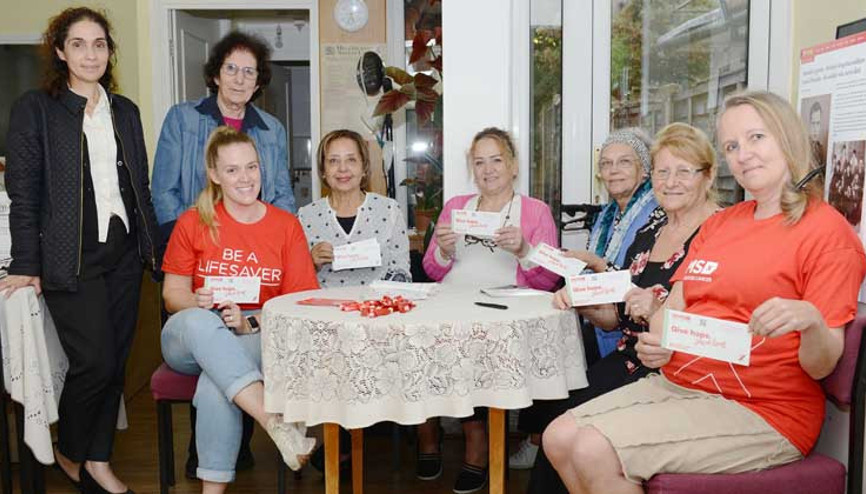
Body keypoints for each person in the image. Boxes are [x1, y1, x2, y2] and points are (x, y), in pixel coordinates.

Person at [543, 91, 866, 494]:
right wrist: (658, 336)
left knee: (593, 449)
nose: (743, 154)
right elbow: (672, 311)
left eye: (756, 138)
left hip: (763, 409)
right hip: (681, 383)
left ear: (788, 137)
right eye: (732, 145)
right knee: (557, 437)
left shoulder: (827, 232)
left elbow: (821, 365)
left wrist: (812, 320)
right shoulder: (722, 223)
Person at [1, 7, 158, 494]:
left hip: (125, 253)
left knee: (116, 364)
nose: (90, 54)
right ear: (60, 50)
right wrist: (27, 263)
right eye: (79, 44)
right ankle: (71, 450)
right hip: (70, 257)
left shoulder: (125, 111)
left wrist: (155, 250)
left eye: (99, 44)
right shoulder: (38, 108)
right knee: (96, 361)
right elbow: (23, 192)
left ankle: (99, 460)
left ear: (110, 52)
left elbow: (141, 189)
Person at [522, 122, 720, 492]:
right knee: (556, 427)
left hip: (672, 368)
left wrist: (660, 314)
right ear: (652, 176)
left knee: (569, 428)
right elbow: (615, 317)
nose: (671, 181)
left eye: (683, 171)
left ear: (708, 177)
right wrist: (579, 301)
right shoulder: (652, 230)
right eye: (663, 171)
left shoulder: (720, 232)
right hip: (629, 356)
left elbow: (720, 318)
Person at [151, 30, 295, 475]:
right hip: (196, 261)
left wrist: (274, 241)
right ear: (215, 75)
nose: (238, 78)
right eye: (230, 68)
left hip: (252, 265)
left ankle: (236, 443)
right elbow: (164, 191)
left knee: (240, 338)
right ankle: (211, 444)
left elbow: (282, 195)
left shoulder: (271, 130)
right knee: (203, 333)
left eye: (248, 71)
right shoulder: (182, 117)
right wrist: (202, 242)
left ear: (258, 82)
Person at [160, 127, 318, 493]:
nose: (245, 178)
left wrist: (251, 320)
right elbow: (172, 294)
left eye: (252, 167)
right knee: (202, 324)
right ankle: (272, 419)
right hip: (188, 336)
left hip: (251, 334)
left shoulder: (285, 226)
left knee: (218, 382)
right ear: (215, 175)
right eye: (232, 170)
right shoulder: (193, 222)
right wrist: (197, 302)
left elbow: (299, 304)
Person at [508, 128, 658, 470]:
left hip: (628, 327)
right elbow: (598, 269)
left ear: (645, 169)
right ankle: (538, 438)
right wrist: (569, 263)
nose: (614, 170)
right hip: (600, 312)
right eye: (606, 164)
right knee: (547, 336)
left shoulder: (655, 212)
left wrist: (589, 265)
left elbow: (634, 279)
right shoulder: (608, 214)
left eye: (624, 162)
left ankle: (543, 441)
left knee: (557, 347)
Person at [419, 127, 559, 494]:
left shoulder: (535, 211)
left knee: (481, 345)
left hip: (507, 306)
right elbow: (432, 271)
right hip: (455, 302)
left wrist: (524, 250)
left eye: (496, 160)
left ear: (513, 166)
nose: (488, 169)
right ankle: (465, 434)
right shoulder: (456, 207)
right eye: (479, 162)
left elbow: (549, 281)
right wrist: (444, 251)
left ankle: (480, 446)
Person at [299, 129, 411, 287]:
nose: (342, 168)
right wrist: (310, 263)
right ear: (323, 171)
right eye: (333, 161)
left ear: (364, 167)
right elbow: (293, 282)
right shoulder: (306, 217)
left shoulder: (389, 210)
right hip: (325, 309)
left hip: (378, 307)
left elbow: (402, 272)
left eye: (351, 160)